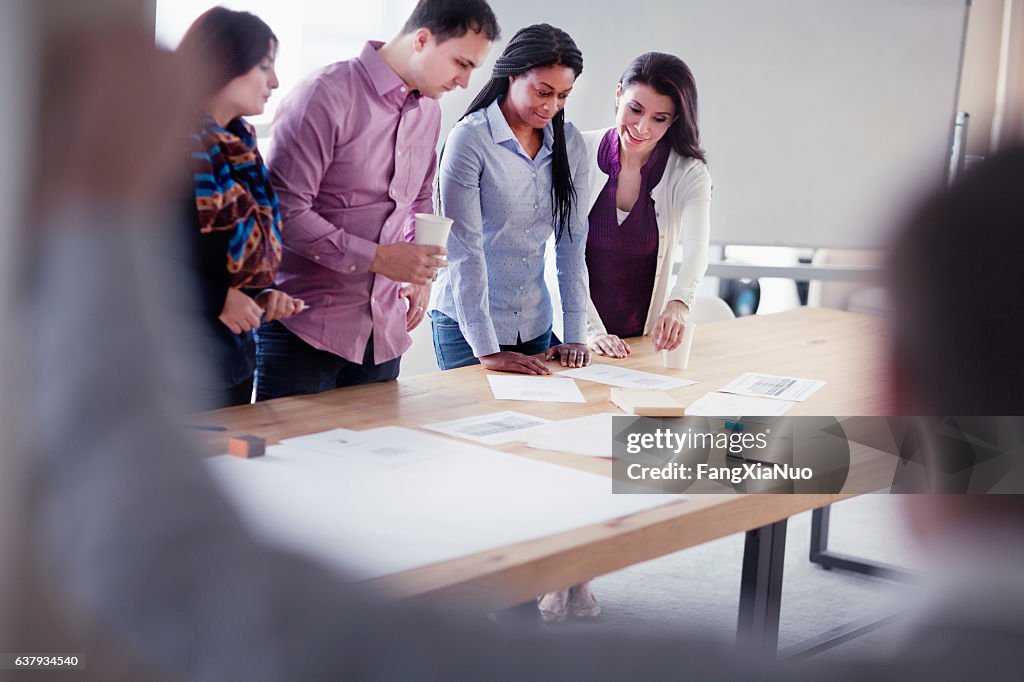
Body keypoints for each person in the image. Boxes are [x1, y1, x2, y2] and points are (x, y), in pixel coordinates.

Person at [255, 0, 499, 400]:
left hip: (383, 334)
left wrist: (419, 274)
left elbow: (418, 197)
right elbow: (285, 212)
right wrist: (380, 258)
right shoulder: (324, 95)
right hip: (303, 330)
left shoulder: (429, 112)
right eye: (461, 63)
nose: (464, 82)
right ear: (422, 40)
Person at [428, 23, 592, 376]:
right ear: (513, 75)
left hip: (534, 324)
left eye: (563, 96)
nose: (552, 106)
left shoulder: (570, 143)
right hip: (467, 329)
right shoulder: (470, 139)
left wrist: (576, 335)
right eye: (543, 92)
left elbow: (572, 244)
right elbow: (464, 250)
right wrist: (487, 350)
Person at [175, 8, 305, 409]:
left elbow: (228, 257)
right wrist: (219, 298)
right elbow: (144, 261)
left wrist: (259, 294)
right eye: (263, 67)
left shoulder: (241, 147)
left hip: (232, 361)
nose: (275, 82)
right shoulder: (167, 147)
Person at [567, 52, 712, 359]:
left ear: (673, 120)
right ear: (619, 94)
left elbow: (697, 248)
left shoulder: (688, 172)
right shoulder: (576, 151)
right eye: (635, 109)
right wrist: (591, 332)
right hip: (571, 340)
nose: (642, 127)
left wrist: (679, 303)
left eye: (659, 119)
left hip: (638, 345)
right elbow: (560, 254)